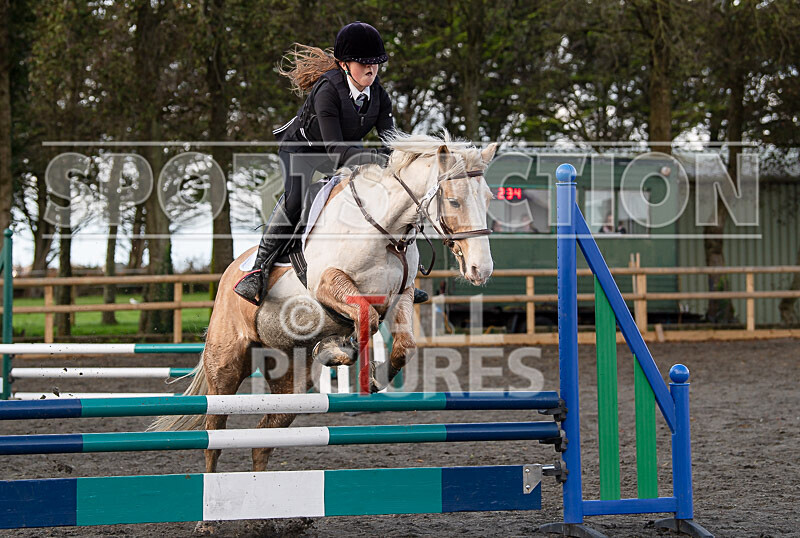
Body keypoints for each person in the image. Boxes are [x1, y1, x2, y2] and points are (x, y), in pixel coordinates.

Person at [234, 21, 428, 306]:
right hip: (303, 151)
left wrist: (403, 161)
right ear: (345, 64)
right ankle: (258, 270)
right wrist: (375, 159)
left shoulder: (379, 96)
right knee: (297, 198)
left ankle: (400, 278)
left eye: (376, 63)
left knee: (381, 195)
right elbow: (335, 149)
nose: (371, 69)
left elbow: (389, 141)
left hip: (344, 149)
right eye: (364, 63)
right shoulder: (328, 90)